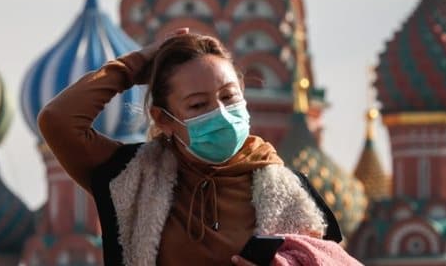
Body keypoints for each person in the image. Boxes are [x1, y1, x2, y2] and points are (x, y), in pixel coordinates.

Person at [39, 29, 348, 265]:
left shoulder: (291, 194)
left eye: (229, 97)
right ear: (164, 119)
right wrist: (136, 64)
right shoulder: (134, 179)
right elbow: (58, 120)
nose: (221, 113)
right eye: (199, 104)